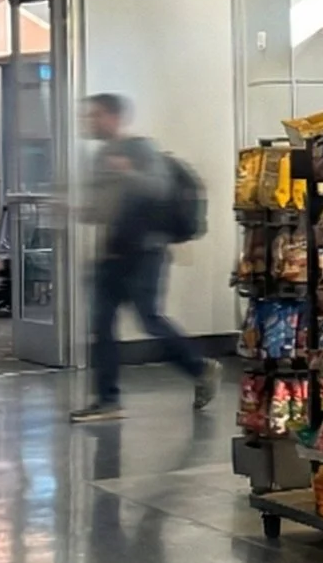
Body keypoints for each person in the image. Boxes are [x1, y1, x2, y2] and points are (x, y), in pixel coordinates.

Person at [70, 94, 216, 423]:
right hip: (112, 253)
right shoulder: (102, 155)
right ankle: (108, 400)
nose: (88, 123)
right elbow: (102, 206)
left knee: (149, 319)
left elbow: (159, 189)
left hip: (146, 252)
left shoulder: (142, 149)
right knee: (101, 326)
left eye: (94, 116)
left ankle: (200, 368)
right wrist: (80, 210)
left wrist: (128, 173)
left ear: (113, 117)